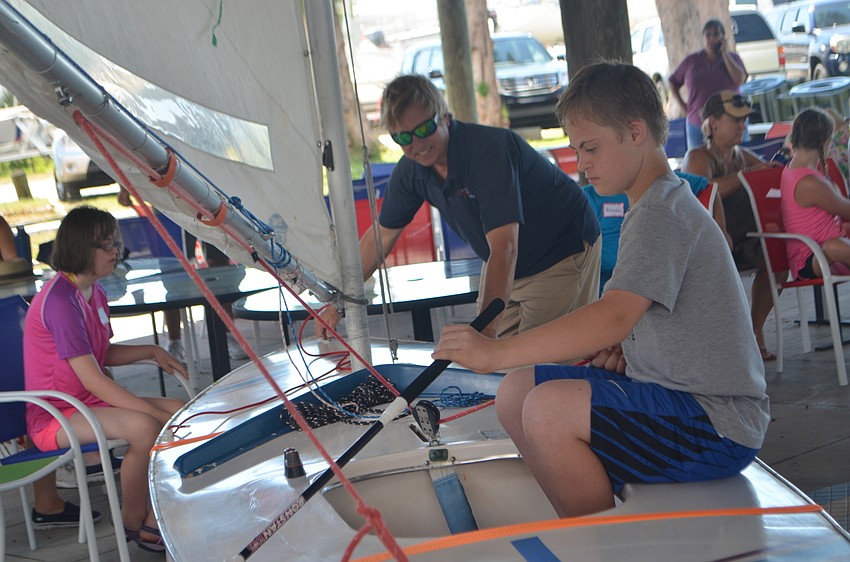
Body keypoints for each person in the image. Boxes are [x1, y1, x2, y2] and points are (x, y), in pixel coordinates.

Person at [433, 61, 769, 518]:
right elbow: (638, 322)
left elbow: (614, 314)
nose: (582, 163)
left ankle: (597, 539)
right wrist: (631, 348)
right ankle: (580, 518)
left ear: (636, 132)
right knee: (515, 392)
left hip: (718, 423)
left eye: (591, 148)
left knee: (548, 409)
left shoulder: (660, 212)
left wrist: (495, 352)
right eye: (576, 149)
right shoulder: (651, 205)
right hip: (677, 399)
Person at [318, 74, 601, 340]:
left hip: (560, 250)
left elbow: (505, 248)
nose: (417, 144)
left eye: (424, 129)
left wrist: (483, 334)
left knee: (542, 360)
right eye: (403, 138)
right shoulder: (411, 171)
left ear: (445, 117)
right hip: (510, 264)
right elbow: (380, 238)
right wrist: (338, 302)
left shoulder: (487, 152)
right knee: (498, 361)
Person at [24, 206, 188, 552]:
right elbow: (93, 379)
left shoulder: (94, 291)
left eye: (116, 243)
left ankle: (156, 514)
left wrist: (151, 350)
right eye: (106, 245)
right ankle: (133, 521)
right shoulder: (60, 301)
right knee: (145, 426)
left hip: (84, 402)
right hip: (54, 413)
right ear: (81, 247)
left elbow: (101, 352)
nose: (116, 251)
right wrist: (148, 410)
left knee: (179, 410)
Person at [681, 90, 780, 360]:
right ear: (713, 123)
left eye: (744, 120)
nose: (742, 126)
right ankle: (739, 339)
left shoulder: (742, 156)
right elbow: (703, 191)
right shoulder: (698, 157)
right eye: (735, 120)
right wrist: (747, 176)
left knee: (778, 258)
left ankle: (754, 330)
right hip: (707, 247)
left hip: (742, 240)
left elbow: (767, 177)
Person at [781, 108, 850, 280]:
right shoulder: (809, 182)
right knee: (834, 246)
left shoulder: (794, 169)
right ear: (826, 141)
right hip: (811, 258)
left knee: (835, 245)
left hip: (825, 249)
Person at [670, 18, 748, 150]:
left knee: (734, 158)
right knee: (698, 159)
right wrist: (684, 106)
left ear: (723, 37)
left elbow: (739, 79)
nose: (711, 38)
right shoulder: (692, 61)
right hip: (697, 123)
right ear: (703, 38)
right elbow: (673, 81)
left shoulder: (733, 58)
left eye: (716, 34)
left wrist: (725, 53)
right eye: (708, 34)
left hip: (730, 123)